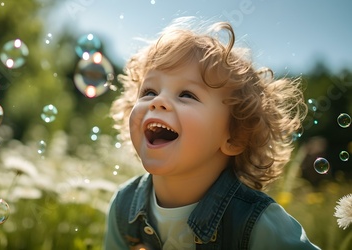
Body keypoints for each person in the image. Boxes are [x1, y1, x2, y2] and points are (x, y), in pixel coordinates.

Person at [104, 16, 321, 250]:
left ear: (234, 137)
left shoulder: (256, 222)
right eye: (148, 91)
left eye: (187, 95)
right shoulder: (123, 206)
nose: (158, 101)